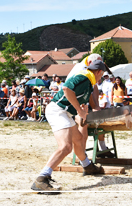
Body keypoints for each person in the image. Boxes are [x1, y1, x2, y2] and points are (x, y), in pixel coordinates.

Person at [31, 60, 106, 194]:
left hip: (65, 112)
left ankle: (88, 166)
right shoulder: (83, 77)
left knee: (78, 138)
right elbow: (66, 89)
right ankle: (42, 178)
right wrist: (79, 110)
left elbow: (79, 100)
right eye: (102, 75)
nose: (102, 78)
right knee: (66, 147)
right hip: (57, 111)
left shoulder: (89, 83)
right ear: (99, 72)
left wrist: (83, 110)